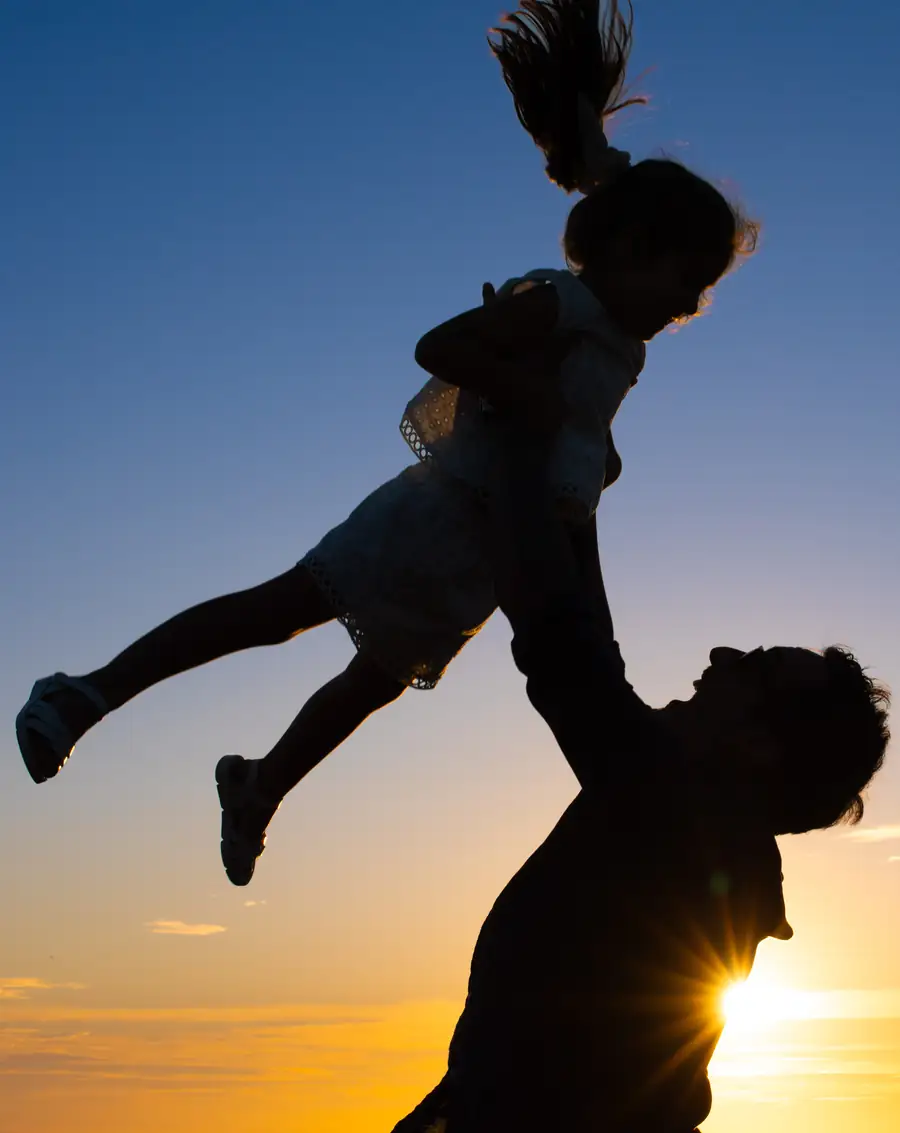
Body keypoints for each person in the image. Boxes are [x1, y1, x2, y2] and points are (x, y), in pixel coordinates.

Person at [14, 0, 757, 887]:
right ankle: (87, 692)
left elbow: (575, 433)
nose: (692, 305)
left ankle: (259, 785)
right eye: (689, 278)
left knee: (370, 685)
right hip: (433, 520)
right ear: (637, 247)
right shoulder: (562, 303)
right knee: (277, 612)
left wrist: (590, 453)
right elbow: (441, 349)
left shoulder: (620, 347)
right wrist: (528, 394)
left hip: (481, 566)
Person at [389, 416, 891, 1133]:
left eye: (752, 667)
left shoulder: (673, 815)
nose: (721, 654)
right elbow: (586, 645)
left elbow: (562, 646)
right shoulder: (702, 828)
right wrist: (576, 493)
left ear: (758, 747)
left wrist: (520, 442)